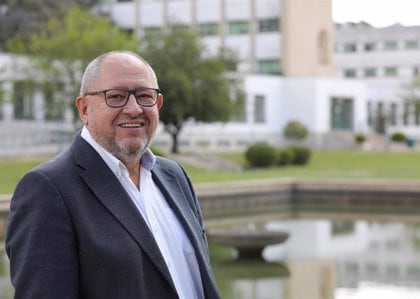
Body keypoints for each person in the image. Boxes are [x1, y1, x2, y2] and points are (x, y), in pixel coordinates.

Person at [6, 50, 221, 299]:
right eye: (116, 97)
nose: (134, 109)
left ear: (158, 104)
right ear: (84, 108)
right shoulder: (48, 190)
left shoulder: (175, 176)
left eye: (144, 96)